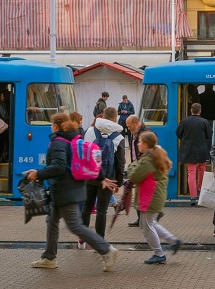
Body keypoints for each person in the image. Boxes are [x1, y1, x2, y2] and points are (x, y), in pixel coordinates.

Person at [25, 112, 117, 271]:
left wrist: (38, 174)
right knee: (52, 221)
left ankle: (106, 249)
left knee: (75, 226)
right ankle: (49, 258)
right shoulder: (73, 138)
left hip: (65, 190)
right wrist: (101, 178)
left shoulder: (58, 143)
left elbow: (59, 167)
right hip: (68, 188)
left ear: (55, 126)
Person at [127, 131, 180, 264]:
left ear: (145, 144)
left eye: (140, 142)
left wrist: (132, 165)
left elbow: (134, 176)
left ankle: (159, 254)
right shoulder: (157, 154)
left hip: (150, 197)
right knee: (151, 224)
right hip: (155, 196)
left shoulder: (147, 160)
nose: (138, 144)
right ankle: (173, 241)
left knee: (146, 227)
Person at [81, 107, 128, 240]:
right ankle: (99, 241)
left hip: (90, 175)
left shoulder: (90, 131)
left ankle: (82, 240)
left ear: (103, 116)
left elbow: (85, 154)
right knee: (102, 210)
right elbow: (120, 163)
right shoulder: (118, 137)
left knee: (87, 206)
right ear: (115, 118)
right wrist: (118, 183)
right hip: (109, 178)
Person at [176, 103, 213, 206]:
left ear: (191, 110)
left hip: (188, 150)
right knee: (202, 170)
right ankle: (201, 190)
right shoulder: (204, 121)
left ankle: (193, 197)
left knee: (191, 172)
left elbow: (178, 134)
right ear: (200, 111)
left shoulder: (184, 121)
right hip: (201, 149)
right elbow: (209, 135)